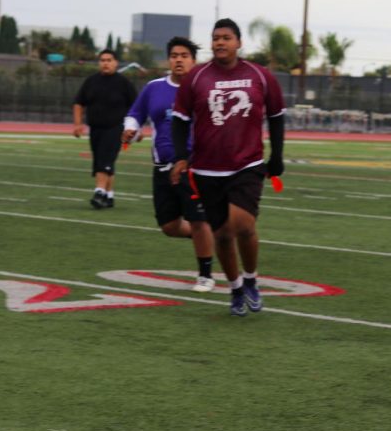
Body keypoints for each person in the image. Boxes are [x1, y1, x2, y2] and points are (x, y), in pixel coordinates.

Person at [170, 18, 285, 316]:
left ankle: (251, 280)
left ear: (238, 42)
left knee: (244, 225)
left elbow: (276, 116)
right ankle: (235, 288)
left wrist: (277, 156)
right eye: (215, 38)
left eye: (226, 37)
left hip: (247, 164)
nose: (220, 42)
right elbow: (180, 121)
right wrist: (181, 157)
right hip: (207, 169)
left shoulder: (260, 76)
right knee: (221, 234)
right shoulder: (197, 77)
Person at [122, 37, 216, 293]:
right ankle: (207, 236)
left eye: (184, 55)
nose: (179, 59)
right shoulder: (154, 88)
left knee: (198, 219)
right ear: (168, 59)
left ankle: (205, 274)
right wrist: (131, 129)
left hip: (194, 167)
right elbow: (134, 114)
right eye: (174, 55)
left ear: (193, 60)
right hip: (162, 167)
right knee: (169, 226)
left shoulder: (204, 88)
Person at [73, 49, 137, 209]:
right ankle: (109, 196)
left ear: (115, 62)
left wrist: (136, 128)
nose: (105, 63)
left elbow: (137, 107)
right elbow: (79, 103)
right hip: (95, 128)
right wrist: (77, 124)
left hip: (116, 128)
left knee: (104, 161)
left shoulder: (124, 83)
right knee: (103, 162)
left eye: (109, 60)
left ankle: (99, 192)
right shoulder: (91, 81)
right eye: (102, 60)